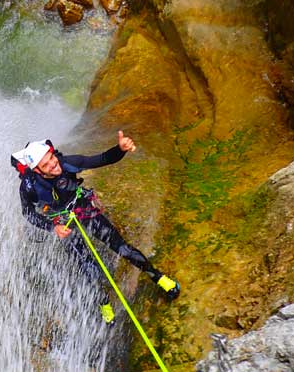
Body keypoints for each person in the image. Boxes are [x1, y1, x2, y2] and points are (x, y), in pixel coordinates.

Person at [11, 131, 180, 324]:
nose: (53, 164)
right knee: (89, 269)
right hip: (64, 223)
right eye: (46, 165)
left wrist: (121, 149)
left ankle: (158, 277)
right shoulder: (30, 188)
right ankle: (103, 303)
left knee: (123, 248)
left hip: (83, 209)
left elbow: (102, 159)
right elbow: (28, 213)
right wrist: (53, 228)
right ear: (38, 171)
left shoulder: (66, 163)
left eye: (51, 158)